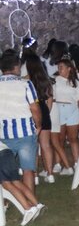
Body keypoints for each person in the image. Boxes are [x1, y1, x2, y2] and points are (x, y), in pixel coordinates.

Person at [0, 50, 42, 198]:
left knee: (5, 172)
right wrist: (39, 125)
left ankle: (5, 203)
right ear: (16, 67)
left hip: (3, 135)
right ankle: (31, 202)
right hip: (25, 133)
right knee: (28, 169)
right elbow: (34, 108)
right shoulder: (25, 84)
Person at [22, 52, 56, 182]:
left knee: (33, 146)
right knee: (46, 145)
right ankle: (50, 173)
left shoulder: (25, 81)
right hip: (44, 111)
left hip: (32, 112)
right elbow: (50, 100)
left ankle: (34, 175)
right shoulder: (46, 80)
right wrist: (45, 113)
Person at [53, 57, 79, 172]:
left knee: (73, 138)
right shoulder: (55, 81)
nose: (59, 69)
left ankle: (77, 162)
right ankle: (58, 163)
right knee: (59, 139)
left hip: (72, 111)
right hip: (58, 110)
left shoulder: (77, 84)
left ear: (69, 69)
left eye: (61, 67)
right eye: (58, 67)